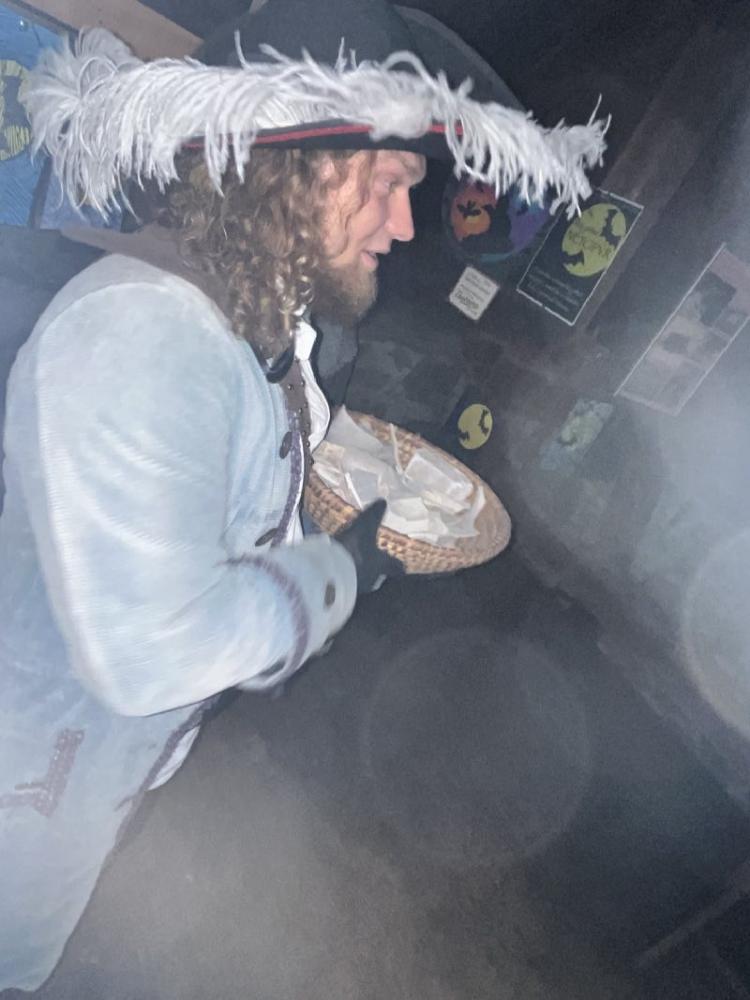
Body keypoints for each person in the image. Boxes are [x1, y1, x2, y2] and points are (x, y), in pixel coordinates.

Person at [0, 0, 607, 991]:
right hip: (25, 791)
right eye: (389, 184)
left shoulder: (252, 330)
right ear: (294, 166)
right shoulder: (148, 333)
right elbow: (152, 654)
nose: (404, 225)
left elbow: (264, 464)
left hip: (73, 785)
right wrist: (342, 573)